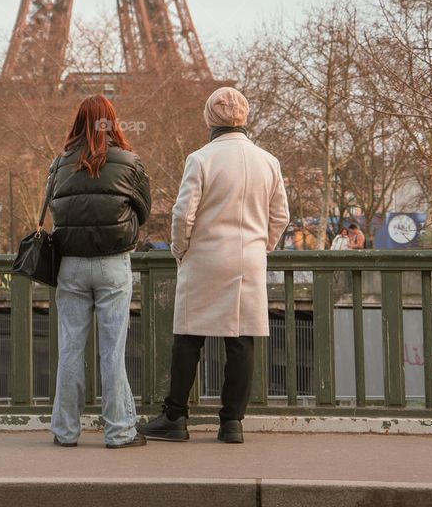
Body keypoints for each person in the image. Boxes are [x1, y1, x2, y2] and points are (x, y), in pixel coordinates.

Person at [138, 86, 289, 446]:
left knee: (188, 339)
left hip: (205, 257)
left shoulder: (201, 159)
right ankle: (232, 423)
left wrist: (180, 250)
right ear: (246, 116)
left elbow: (183, 213)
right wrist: (260, 247)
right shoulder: (268, 161)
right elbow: (280, 216)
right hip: (248, 261)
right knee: (241, 342)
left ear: (209, 118)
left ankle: (175, 417)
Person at [49, 93, 152, 449]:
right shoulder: (129, 161)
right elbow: (144, 210)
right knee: (112, 351)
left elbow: (54, 207)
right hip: (112, 263)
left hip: (71, 265)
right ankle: (120, 431)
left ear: (78, 122)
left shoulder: (59, 163)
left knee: (70, 350)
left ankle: (65, 431)